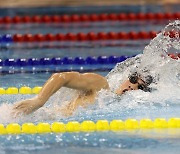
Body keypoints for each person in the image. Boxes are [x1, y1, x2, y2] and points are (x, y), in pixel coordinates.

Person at [12, 71, 153, 117]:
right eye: (133, 79)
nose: (131, 85)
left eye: (139, 87)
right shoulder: (101, 86)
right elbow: (61, 77)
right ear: (126, 77)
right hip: (33, 117)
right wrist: (39, 100)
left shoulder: (121, 109)